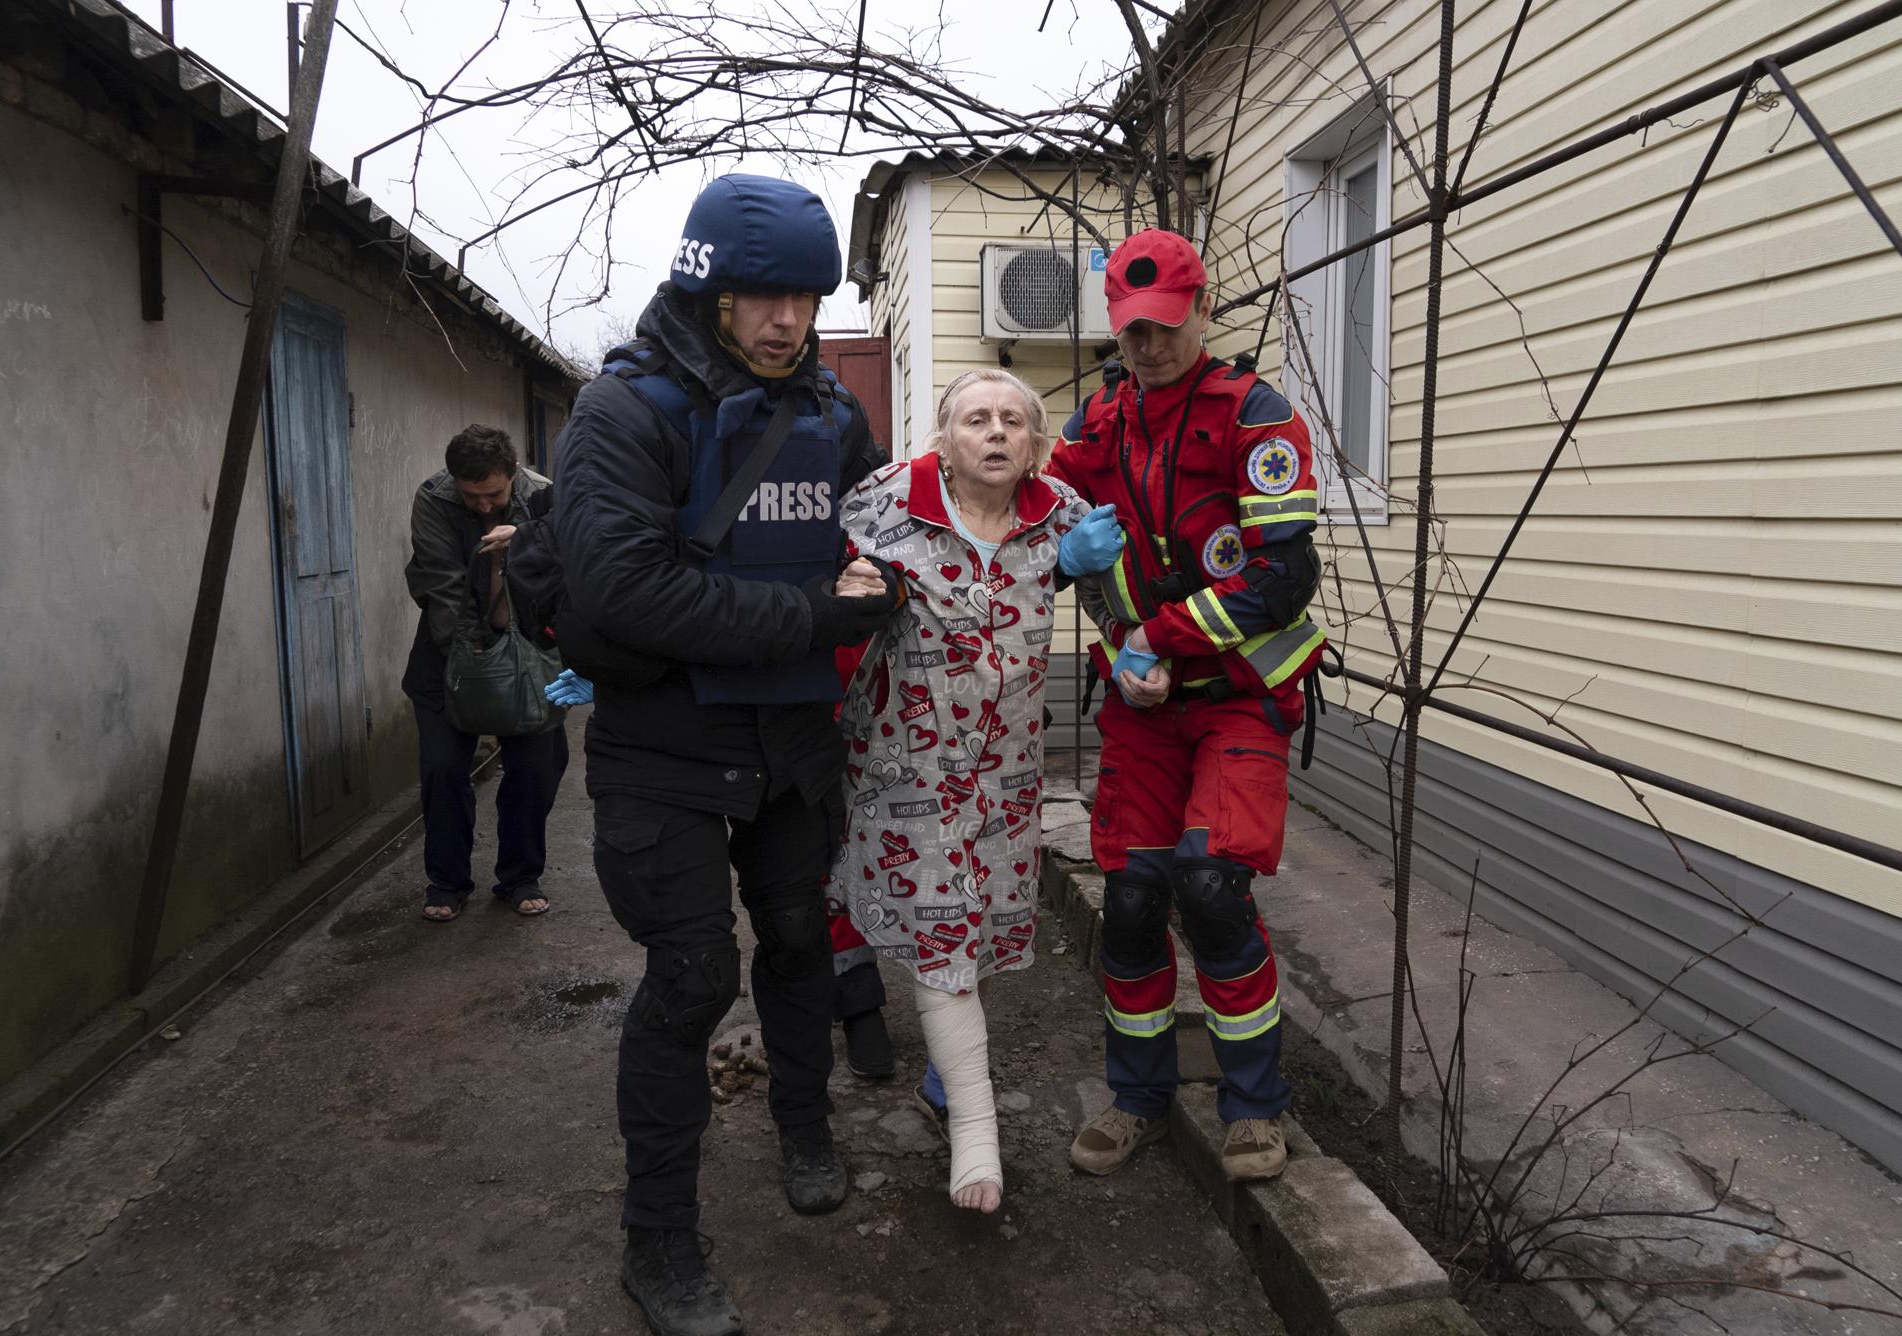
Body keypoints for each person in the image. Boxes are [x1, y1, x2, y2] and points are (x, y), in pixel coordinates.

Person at [549, 173, 904, 1336]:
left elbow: (887, 539)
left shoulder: (830, 413)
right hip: (665, 746)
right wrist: (814, 617)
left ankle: (803, 1125)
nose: (785, 320)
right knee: (693, 976)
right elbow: (627, 590)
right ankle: (658, 1242)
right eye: (760, 295)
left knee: (800, 942)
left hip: (793, 742)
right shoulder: (626, 412)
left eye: (804, 296)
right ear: (707, 290)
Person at [1049, 228, 1328, 1184]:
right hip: (1140, 709)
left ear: (1202, 311)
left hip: (1238, 699)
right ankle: (1136, 1099)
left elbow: (1283, 577)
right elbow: (1030, 513)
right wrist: (1056, 556)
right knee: (1128, 904)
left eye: (1167, 326)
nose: (1152, 346)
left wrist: (1156, 639)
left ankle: (1254, 1107)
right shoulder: (1097, 425)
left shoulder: (1257, 414)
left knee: (1211, 891)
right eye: (1134, 333)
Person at [829, 369, 1124, 1213]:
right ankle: (977, 1136)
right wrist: (854, 592)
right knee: (947, 930)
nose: (994, 433)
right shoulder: (885, 502)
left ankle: (941, 1077)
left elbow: (1112, 604)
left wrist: (1134, 652)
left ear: (1032, 443)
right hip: (905, 770)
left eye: (1011, 421)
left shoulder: (1060, 513)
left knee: (984, 933)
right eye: (974, 420)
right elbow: (820, 582)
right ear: (944, 440)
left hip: (1007, 772)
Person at [401, 424, 568, 923]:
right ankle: (447, 882)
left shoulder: (542, 498)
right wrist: (475, 654)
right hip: (448, 657)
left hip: (531, 654)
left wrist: (526, 538)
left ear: (512, 476)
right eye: (472, 496)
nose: (484, 506)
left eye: (494, 494)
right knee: (443, 769)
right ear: (455, 483)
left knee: (535, 770)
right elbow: (441, 584)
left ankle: (520, 876)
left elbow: (570, 562)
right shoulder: (434, 499)